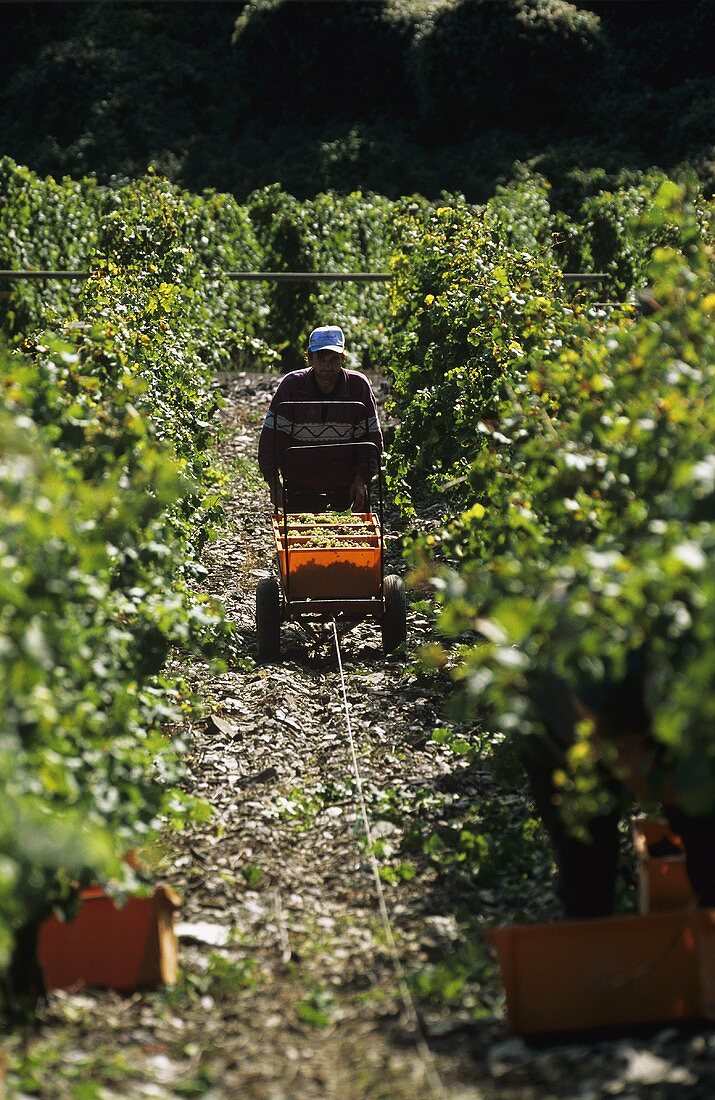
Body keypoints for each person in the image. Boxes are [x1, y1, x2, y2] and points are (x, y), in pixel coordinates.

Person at [257, 325, 383, 512]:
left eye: (334, 359)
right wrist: (273, 481)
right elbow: (271, 439)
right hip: (300, 486)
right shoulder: (292, 387)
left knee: (350, 538)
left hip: (346, 487)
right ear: (309, 358)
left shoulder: (358, 387)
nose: (327, 366)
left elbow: (370, 440)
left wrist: (362, 479)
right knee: (302, 538)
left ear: (343, 359)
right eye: (321, 358)